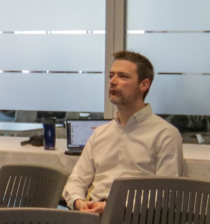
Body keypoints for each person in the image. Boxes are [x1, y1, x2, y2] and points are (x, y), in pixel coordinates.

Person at [62, 51, 187, 213]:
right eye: (111, 76)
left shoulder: (165, 134)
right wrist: (78, 201)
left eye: (123, 76)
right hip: (94, 215)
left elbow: (166, 195)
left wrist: (112, 208)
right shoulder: (101, 133)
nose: (113, 82)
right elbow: (77, 179)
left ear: (144, 85)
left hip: (136, 219)